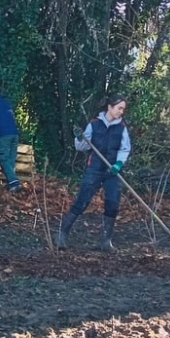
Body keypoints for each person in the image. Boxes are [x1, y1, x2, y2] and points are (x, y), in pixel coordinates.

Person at [56, 94, 131, 251]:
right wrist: (79, 138)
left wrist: (118, 163)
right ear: (110, 107)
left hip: (112, 171)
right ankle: (61, 235)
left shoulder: (122, 128)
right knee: (82, 202)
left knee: (112, 204)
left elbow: (125, 148)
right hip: (94, 169)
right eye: (119, 108)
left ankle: (106, 242)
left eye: (123, 109)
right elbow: (82, 147)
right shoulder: (94, 124)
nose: (121, 111)